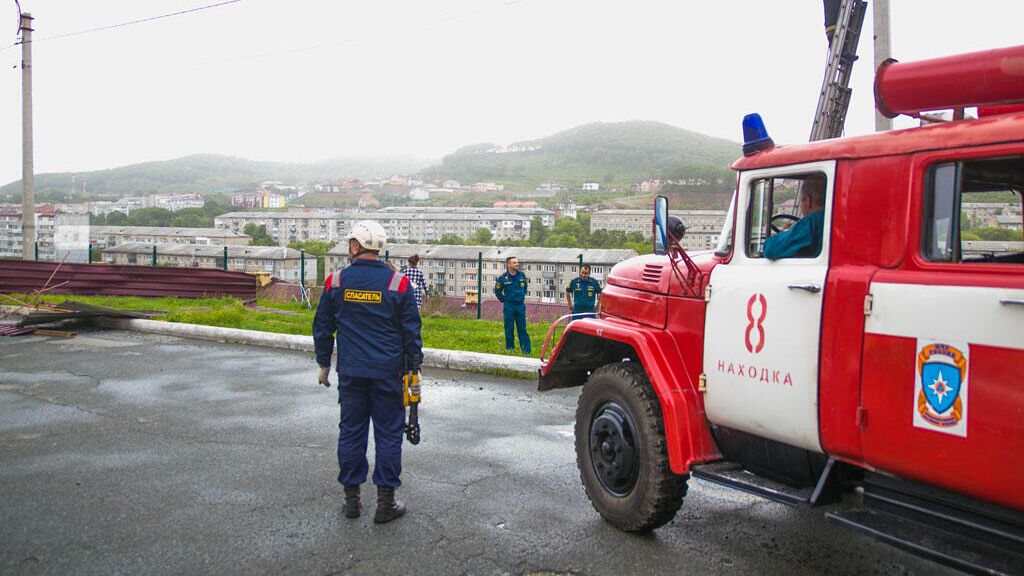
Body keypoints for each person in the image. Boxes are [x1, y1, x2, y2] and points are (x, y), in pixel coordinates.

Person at [312, 220, 423, 524]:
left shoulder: (336, 282)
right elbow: (412, 333)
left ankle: (352, 501)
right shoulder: (398, 284)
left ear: (354, 246)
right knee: (388, 433)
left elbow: (323, 327)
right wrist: (415, 369)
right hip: (389, 374)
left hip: (351, 373)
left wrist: (324, 363)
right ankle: (385, 504)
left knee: (351, 431)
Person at [763, 174, 827, 260]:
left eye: (801, 200)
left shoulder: (811, 222)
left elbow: (770, 249)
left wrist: (786, 231)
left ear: (808, 200)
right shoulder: (832, 218)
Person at [493, 256, 531, 355]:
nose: (517, 264)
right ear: (508, 264)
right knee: (509, 328)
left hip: (520, 306)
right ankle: (510, 349)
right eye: (514, 263)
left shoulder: (522, 275)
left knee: (522, 329)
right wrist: (505, 300)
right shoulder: (502, 278)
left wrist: (521, 296)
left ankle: (526, 351)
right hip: (509, 306)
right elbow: (497, 291)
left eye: (517, 262)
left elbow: (525, 288)